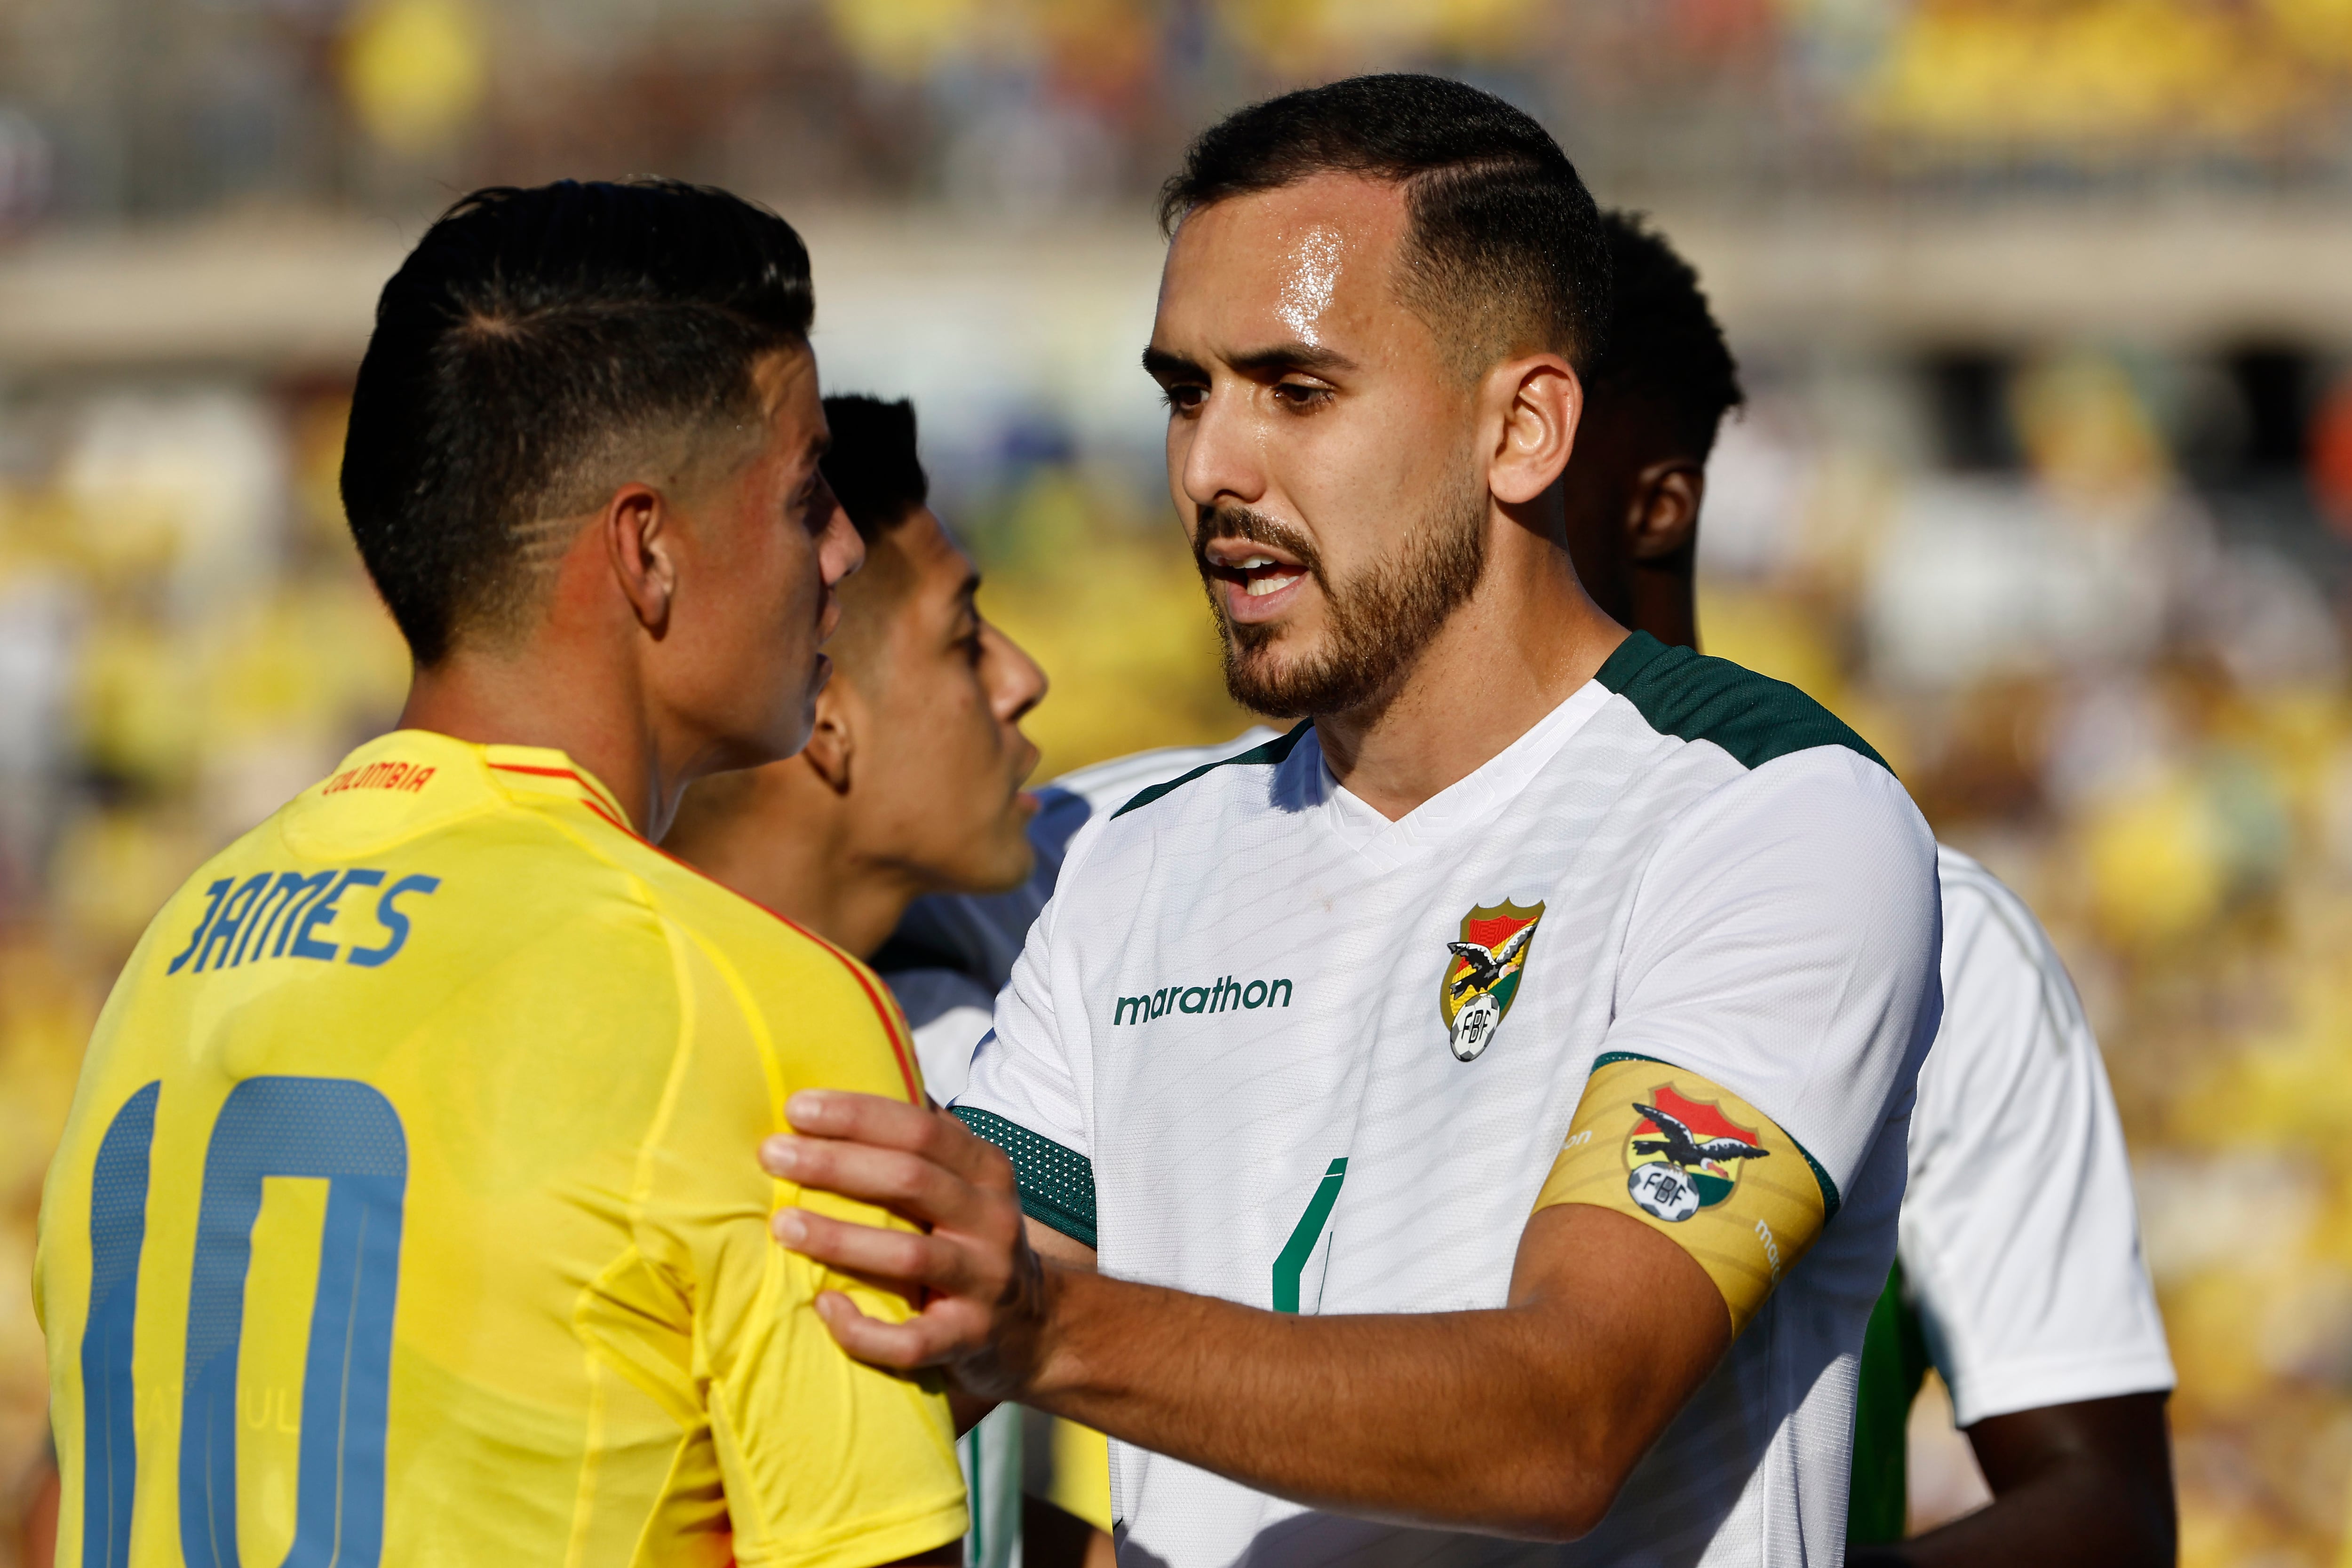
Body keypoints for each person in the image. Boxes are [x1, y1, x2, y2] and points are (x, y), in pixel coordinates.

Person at [759, 74, 1943, 1566]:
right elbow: (940, 1317)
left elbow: (1566, 1416)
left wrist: (1051, 1327)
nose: (1208, 469)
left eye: (1295, 390)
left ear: (1523, 428)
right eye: (1187, 391)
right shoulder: (1135, 862)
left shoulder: (1766, 812)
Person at [32, 180, 966, 1568]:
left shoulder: (173, 952)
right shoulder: (751, 1005)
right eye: (809, 491)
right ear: (647, 551)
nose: (841, 551)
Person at [1560, 211, 2177, 1567]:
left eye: (1530, 435)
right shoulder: (1198, 871)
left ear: (1654, 496)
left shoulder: (1947, 939)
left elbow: (2107, 1505)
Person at [661, 392, 1053, 1568]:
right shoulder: (667, 1081)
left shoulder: (969, 1013)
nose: (1024, 678)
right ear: (826, 714)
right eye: (963, 634)